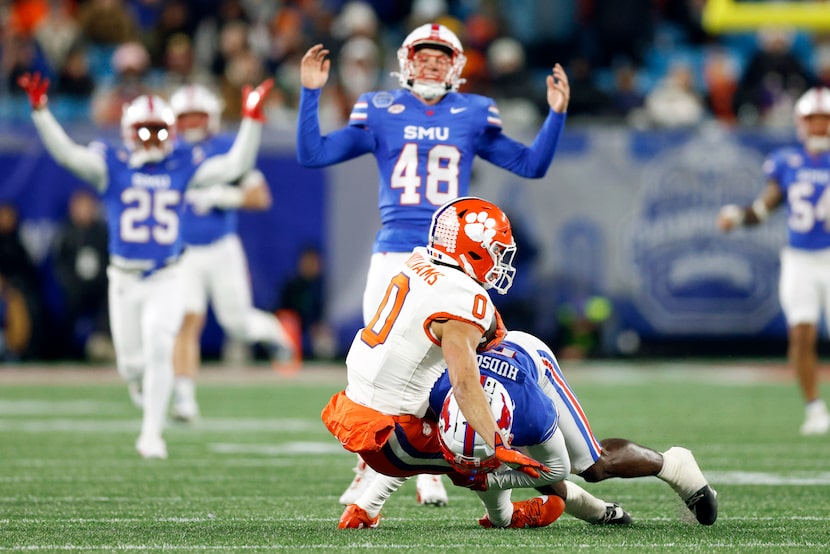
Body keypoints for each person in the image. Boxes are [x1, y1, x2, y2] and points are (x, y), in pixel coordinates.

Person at [298, 21, 571, 508]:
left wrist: (555, 116)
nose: (430, 62)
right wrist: (310, 94)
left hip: (451, 255)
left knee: (443, 368)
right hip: (396, 249)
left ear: (456, 67)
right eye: (423, 55)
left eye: (441, 56)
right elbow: (313, 153)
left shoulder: (472, 112)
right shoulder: (381, 109)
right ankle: (370, 467)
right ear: (406, 61)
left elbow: (532, 165)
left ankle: (431, 472)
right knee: (385, 363)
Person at [17, 71, 272, 459]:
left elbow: (234, 164)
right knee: (131, 366)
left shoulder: (183, 164)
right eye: (145, 130)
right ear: (128, 131)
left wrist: (252, 120)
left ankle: (151, 434)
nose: (153, 138)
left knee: (159, 345)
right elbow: (67, 154)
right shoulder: (112, 164)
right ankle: (143, 391)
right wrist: (41, 113)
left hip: (166, 276)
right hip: (123, 280)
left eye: (158, 130)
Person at [324, 196, 583, 530]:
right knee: (482, 440)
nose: (500, 261)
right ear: (473, 248)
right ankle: (503, 517)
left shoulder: (420, 261)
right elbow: (464, 384)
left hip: (354, 408)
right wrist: (497, 443)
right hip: (393, 436)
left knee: (451, 412)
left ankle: (365, 508)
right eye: (496, 251)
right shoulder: (464, 300)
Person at [340, 329, 718, 529]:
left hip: (530, 363)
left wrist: (492, 481)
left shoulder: (533, 415)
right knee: (505, 467)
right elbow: (411, 456)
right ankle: (598, 512)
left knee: (592, 466)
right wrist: (368, 504)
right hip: (484, 383)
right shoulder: (441, 393)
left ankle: (673, 465)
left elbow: (553, 468)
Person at [168, 83, 301, 423]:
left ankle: (273, 330)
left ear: (211, 117)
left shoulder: (227, 148)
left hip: (221, 247)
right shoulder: (168, 153)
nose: (193, 122)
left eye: (199, 115)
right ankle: (184, 401)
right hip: (183, 252)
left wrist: (223, 197)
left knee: (237, 323)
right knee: (186, 319)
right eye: (186, 116)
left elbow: (261, 197)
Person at [718, 86, 830, 436]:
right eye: (813, 119)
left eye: (824, 119)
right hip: (799, 259)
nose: (819, 126)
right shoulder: (787, 161)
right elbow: (764, 208)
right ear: (800, 122)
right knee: (800, 333)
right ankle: (814, 409)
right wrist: (738, 217)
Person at [51, 188, 110, 360]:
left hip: (100, 287)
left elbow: (110, 260)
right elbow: (60, 263)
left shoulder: (102, 232)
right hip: (75, 288)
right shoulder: (66, 233)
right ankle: (65, 352)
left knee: (111, 302)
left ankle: (103, 344)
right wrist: (69, 283)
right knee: (65, 304)